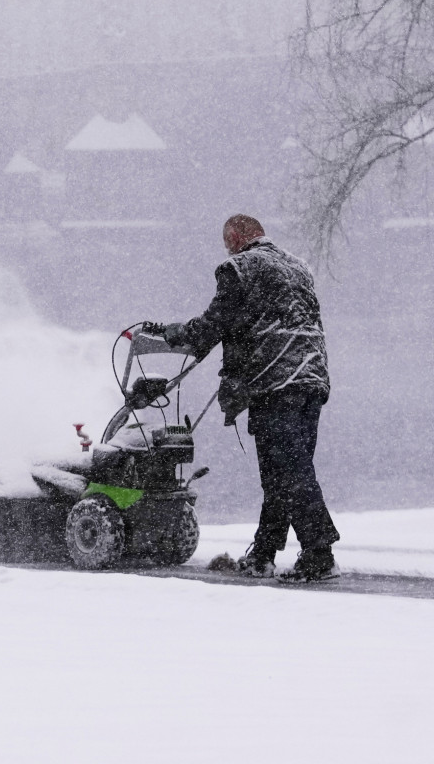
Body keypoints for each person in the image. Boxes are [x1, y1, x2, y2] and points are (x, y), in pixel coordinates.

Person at [142, 212, 339, 582]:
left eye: (226, 243)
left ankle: (319, 554)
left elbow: (212, 327)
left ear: (234, 238)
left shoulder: (239, 268)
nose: (227, 250)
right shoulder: (298, 268)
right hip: (312, 380)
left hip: (275, 382)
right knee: (285, 472)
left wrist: (171, 332)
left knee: (289, 471)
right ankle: (263, 555)